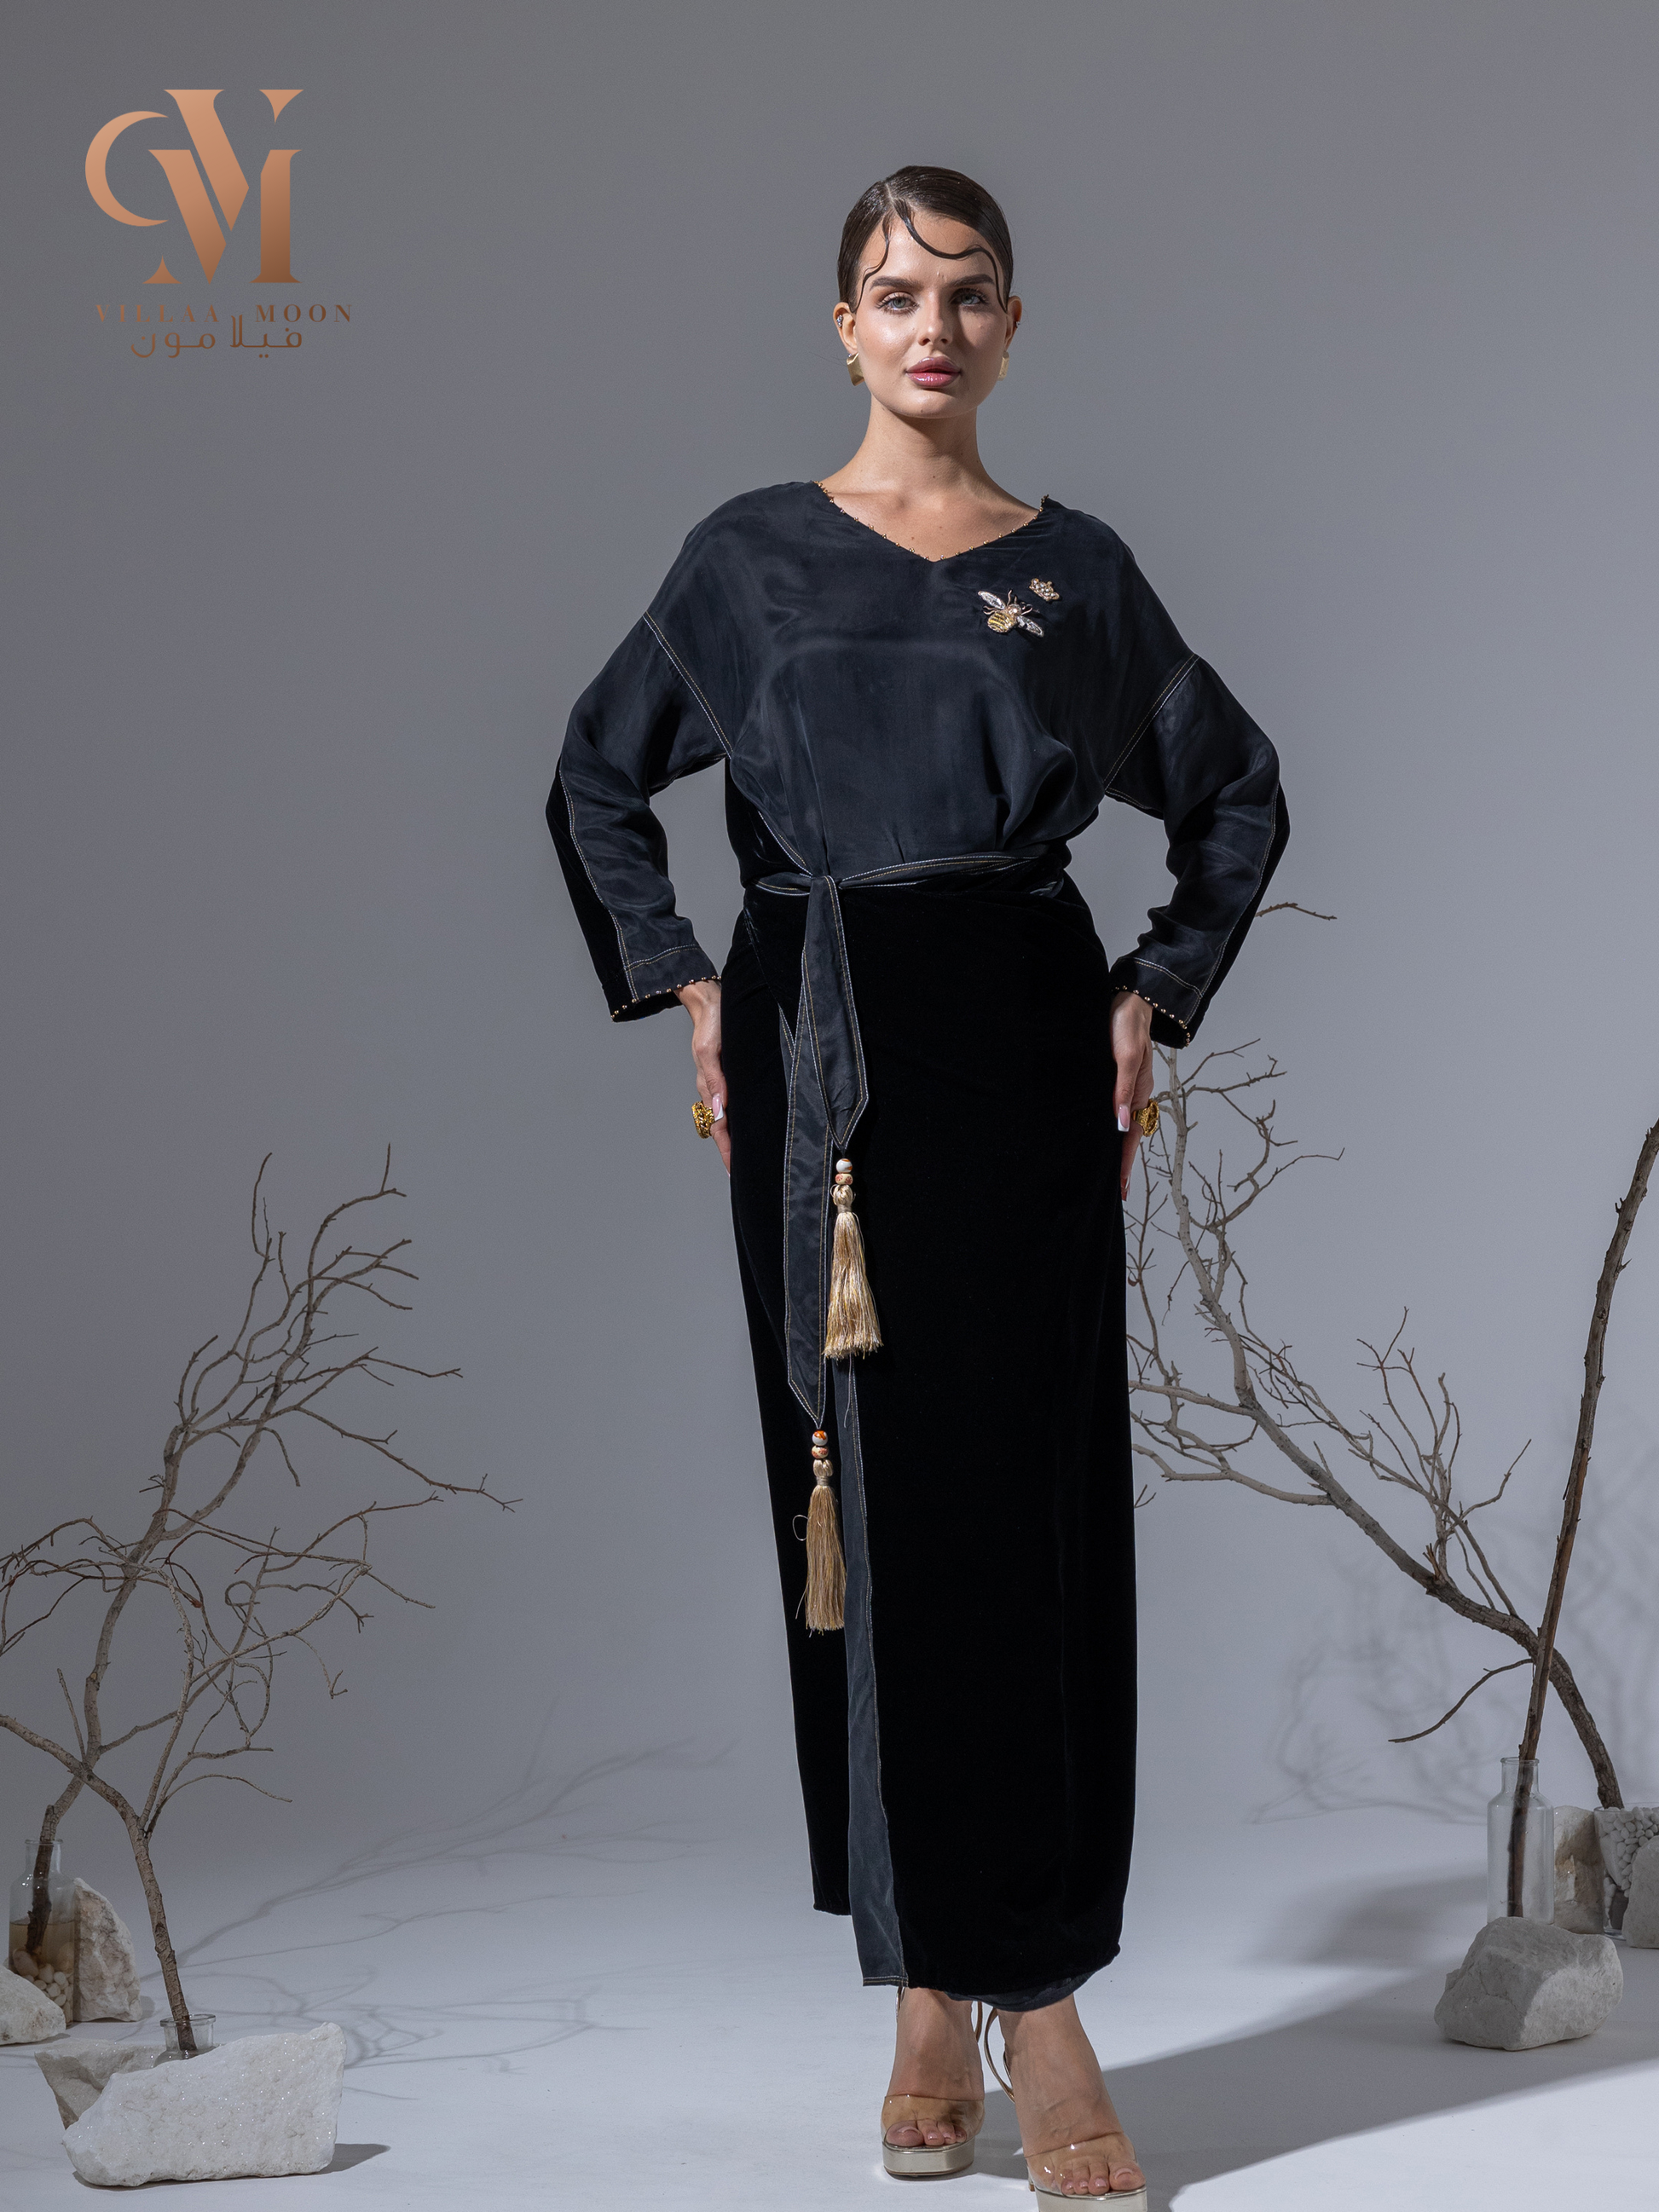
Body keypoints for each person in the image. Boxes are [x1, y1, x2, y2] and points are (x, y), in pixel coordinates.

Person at [547, 165, 1286, 2202]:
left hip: (1020, 1052)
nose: (931, 327)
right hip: (819, 1059)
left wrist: (1153, 990)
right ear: (844, 327)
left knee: (1024, 1517)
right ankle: (921, 1989)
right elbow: (596, 773)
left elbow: (1232, 790)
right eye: (894, 293)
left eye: (966, 294)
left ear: (1012, 327)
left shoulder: (1075, 572)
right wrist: (685, 978)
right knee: (861, 1516)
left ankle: (1039, 1995)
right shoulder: (751, 561)